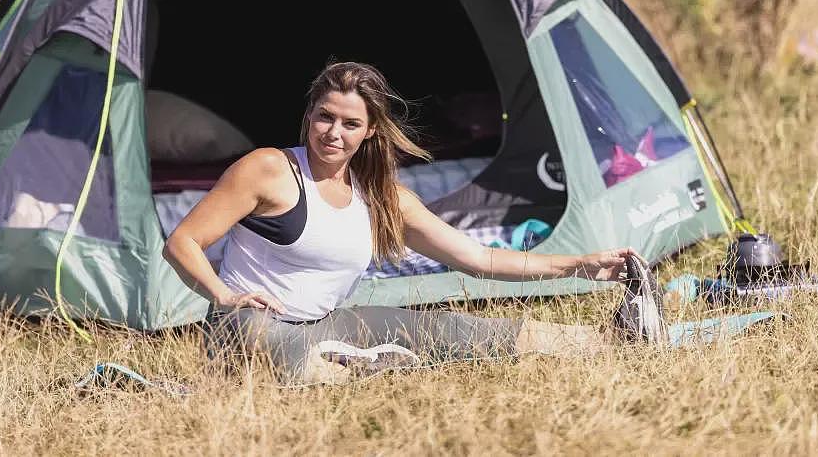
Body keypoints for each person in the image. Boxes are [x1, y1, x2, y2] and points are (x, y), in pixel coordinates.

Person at [163, 61, 643, 385]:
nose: (333, 132)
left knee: (458, 332)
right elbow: (182, 242)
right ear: (308, 115)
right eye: (324, 117)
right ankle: (353, 369)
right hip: (247, 327)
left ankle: (615, 338)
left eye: (350, 124)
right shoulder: (268, 169)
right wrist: (224, 296)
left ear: (369, 130)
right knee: (282, 349)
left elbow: (479, 259)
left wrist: (580, 265)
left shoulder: (386, 199)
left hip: (329, 326)